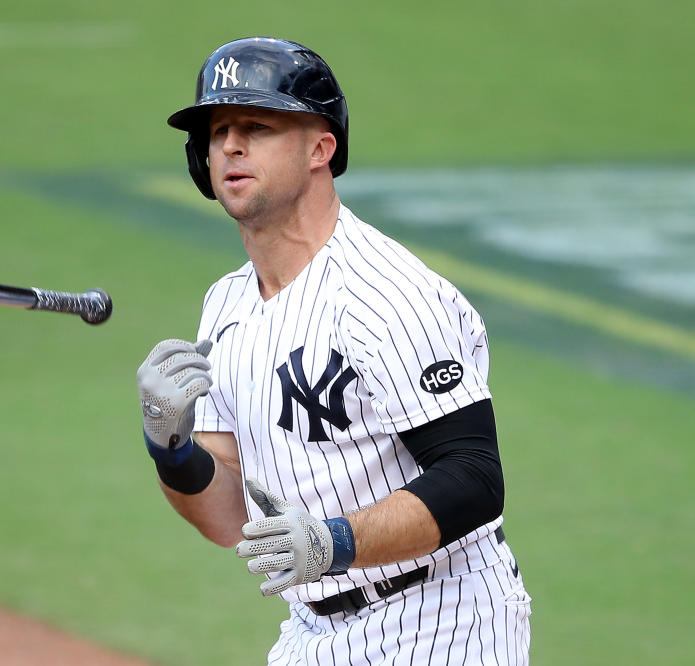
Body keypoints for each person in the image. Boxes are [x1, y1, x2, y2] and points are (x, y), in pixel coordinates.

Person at [136, 37, 532, 665]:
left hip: (441, 621)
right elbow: (225, 519)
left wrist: (331, 543)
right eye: (218, 131)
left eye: (258, 126)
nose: (231, 146)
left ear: (322, 148)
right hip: (313, 633)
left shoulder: (387, 295)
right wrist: (170, 446)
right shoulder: (227, 305)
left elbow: (474, 479)